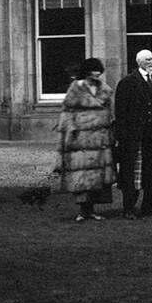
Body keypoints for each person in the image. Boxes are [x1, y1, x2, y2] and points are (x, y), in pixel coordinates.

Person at [54, 58, 115, 222]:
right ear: (87, 71)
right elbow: (67, 112)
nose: (97, 73)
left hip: (100, 139)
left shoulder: (105, 89)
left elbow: (110, 113)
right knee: (82, 175)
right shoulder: (76, 88)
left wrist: (110, 133)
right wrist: (70, 131)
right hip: (81, 139)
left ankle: (92, 210)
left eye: (99, 70)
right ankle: (83, 210)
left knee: (98, 176)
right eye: (94, 70)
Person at [113, 49, 152, 218]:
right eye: (147, 59)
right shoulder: (128, 82)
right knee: (132, 173)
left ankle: (148, 207)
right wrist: (122, 136)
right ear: (138, 62)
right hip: (134, 137)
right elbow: (121, 112)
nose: (151, 62)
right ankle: (128, 208)